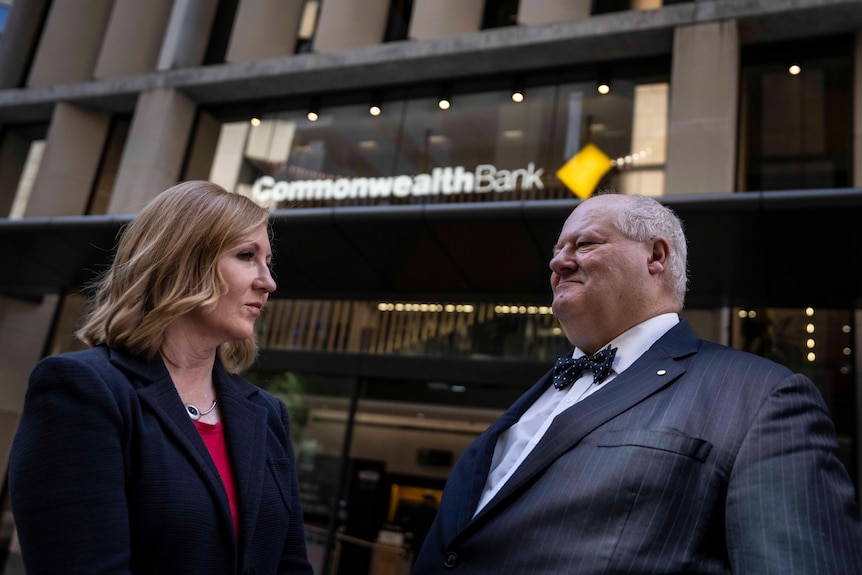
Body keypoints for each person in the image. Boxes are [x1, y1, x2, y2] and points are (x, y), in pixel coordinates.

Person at [413, 193, 862, 574]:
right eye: (556, 249)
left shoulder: (761, 396)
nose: (557, 261)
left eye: (584, 243)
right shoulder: (536, 396)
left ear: (656, 256)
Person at [9, 181, 313, 574]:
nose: (268, 282)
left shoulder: (268, 414)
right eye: (245, 256)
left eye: (267, 261)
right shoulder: (84, 390)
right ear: (183, 262)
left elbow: (291, 565)